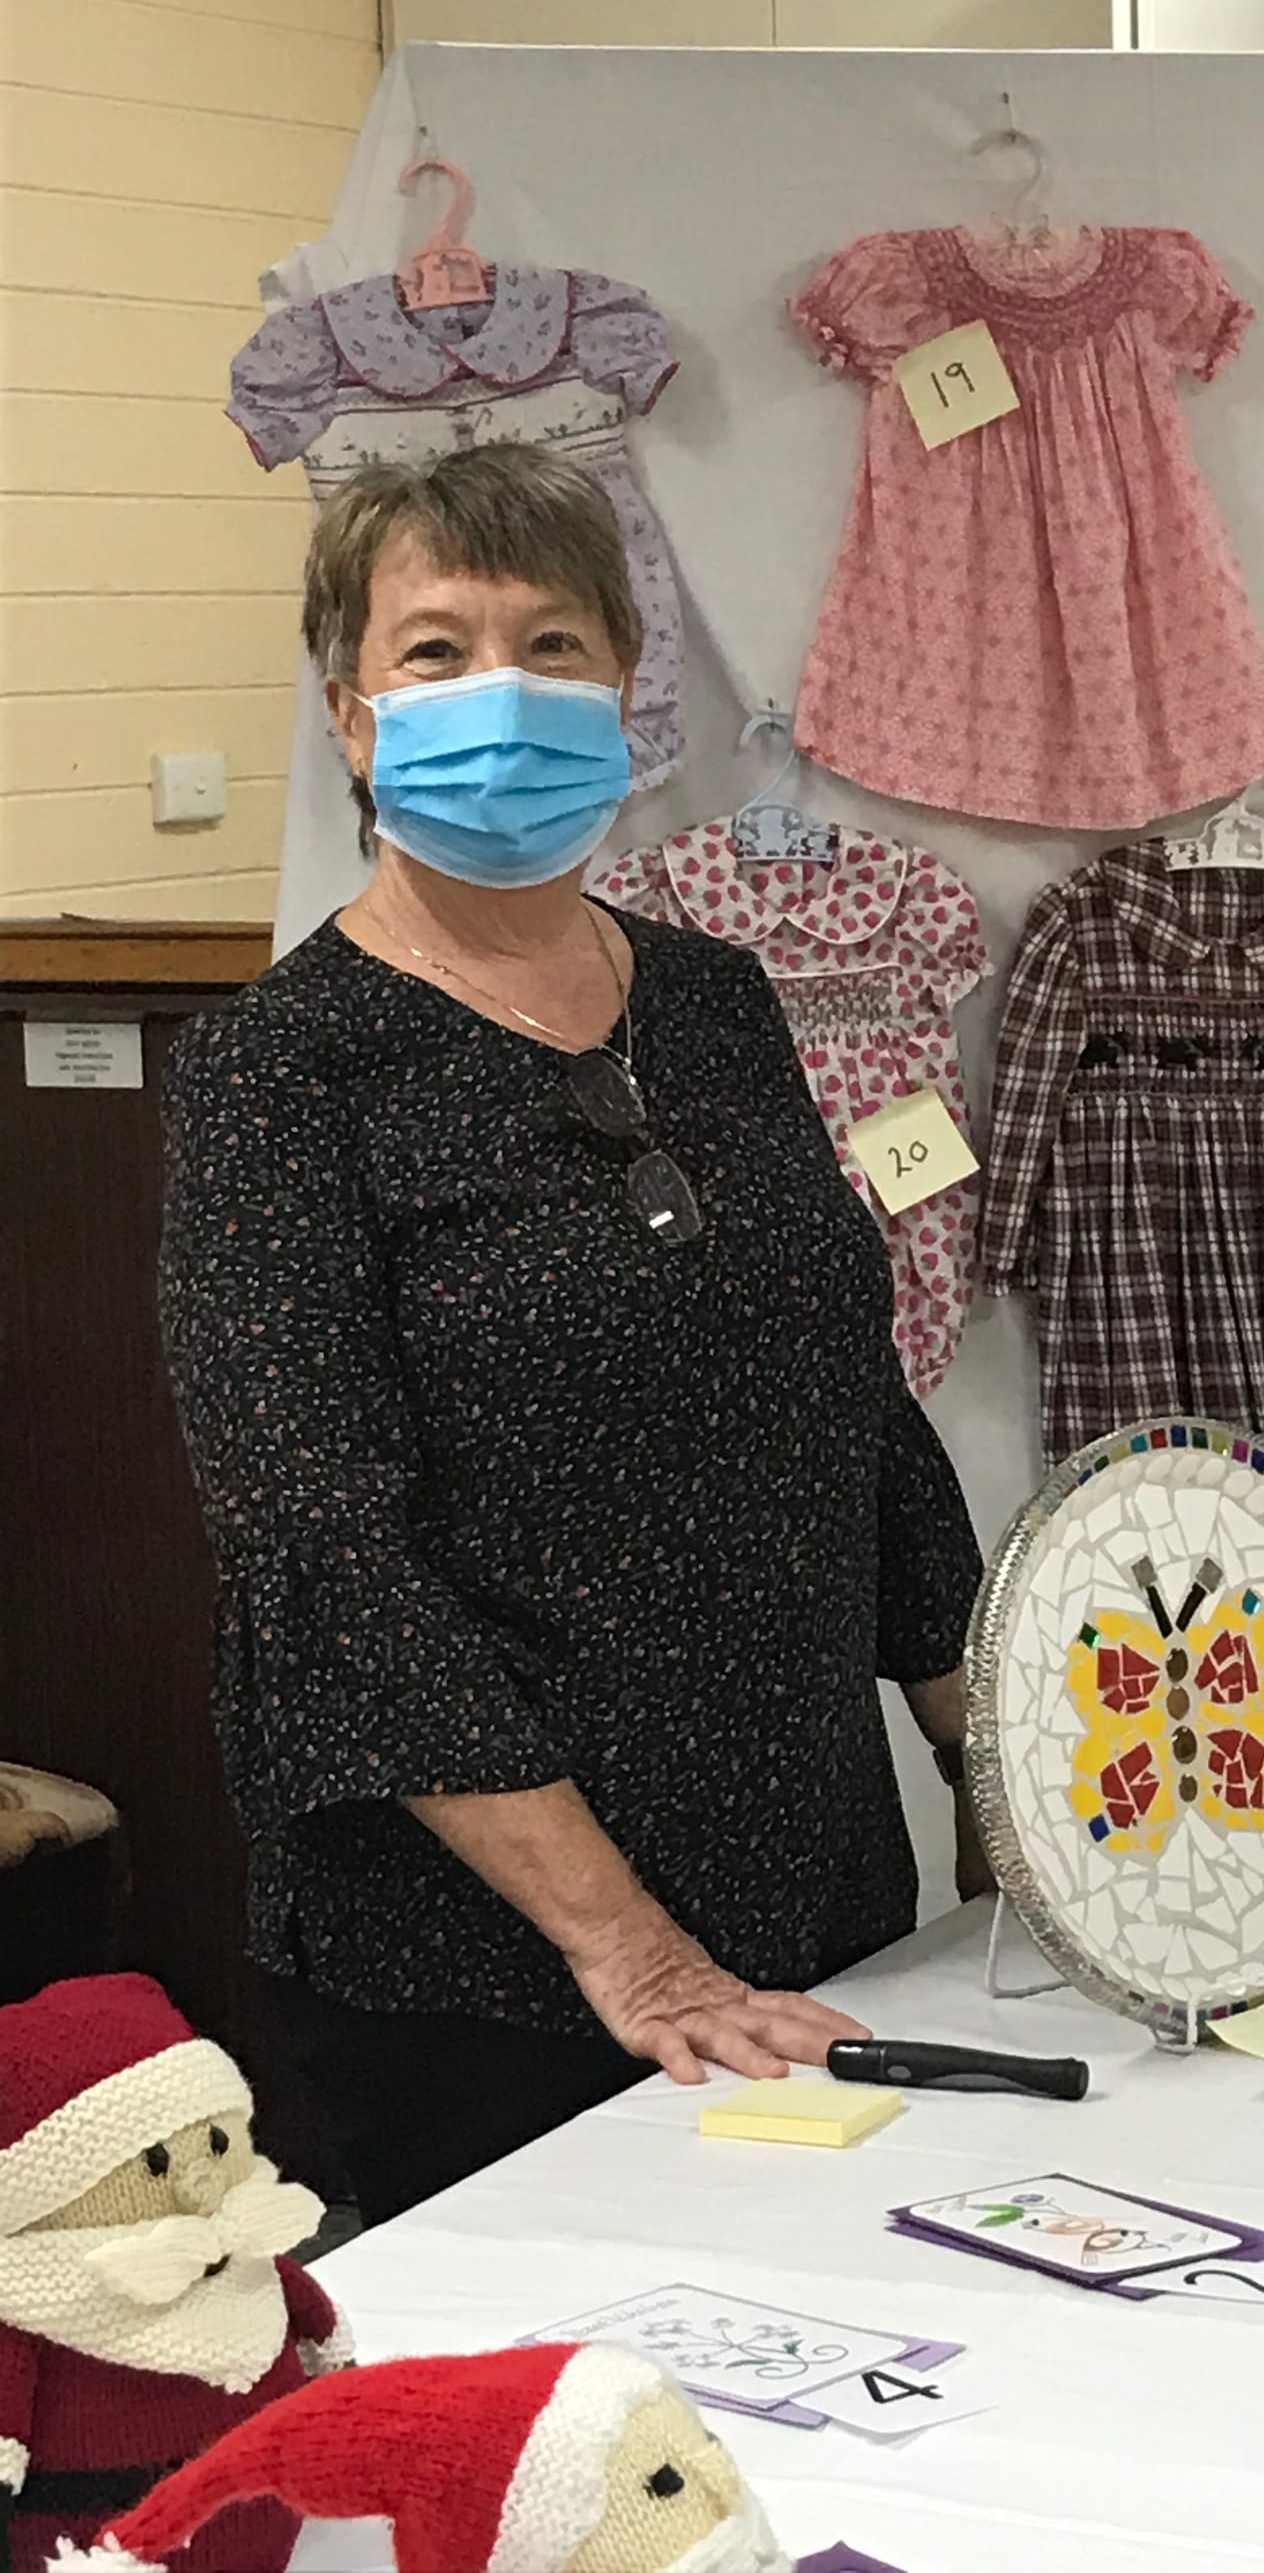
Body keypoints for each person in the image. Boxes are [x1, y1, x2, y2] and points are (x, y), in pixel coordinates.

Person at [158, 441, 988, 2226]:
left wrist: (993, 1763)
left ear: (624, 692)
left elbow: (853, 1397)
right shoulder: (275, 1075)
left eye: (550, 644)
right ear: (352, 716)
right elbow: (319, 1551)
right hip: (490, 1964)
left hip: (816, 1885)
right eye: (437, 650)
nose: (501, 693)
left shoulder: (715, 1001)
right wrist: (632, 1947)